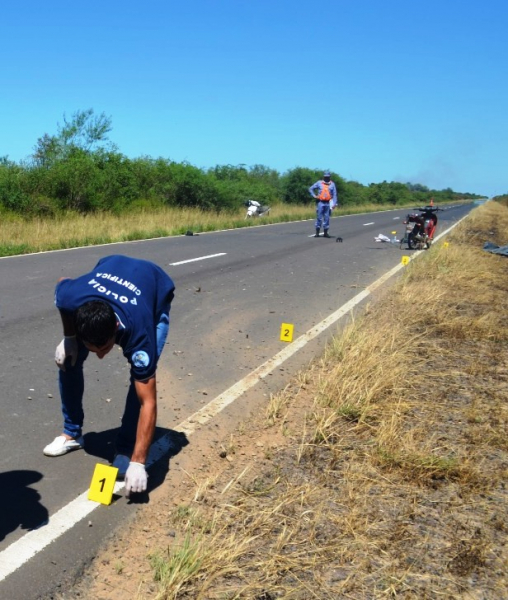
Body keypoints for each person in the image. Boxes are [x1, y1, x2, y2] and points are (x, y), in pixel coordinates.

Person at [43, 255, 175, 496]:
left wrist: (138, 460)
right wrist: (70, 338)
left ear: (116, 329)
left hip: (152, 288)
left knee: (140, 382)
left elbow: (148, 401)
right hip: (111, 266)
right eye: (95, 350)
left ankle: (124, 450)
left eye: (104, 349)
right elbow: (62, 285)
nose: (101, 357)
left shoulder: (138, 333)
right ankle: (72, 433)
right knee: (69, 361)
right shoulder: (72, 297)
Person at [308, 170, 338, 238]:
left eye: (328, 177)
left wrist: (334, 203)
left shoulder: (332, 184)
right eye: (325, 177)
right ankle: (317, 233)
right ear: (323, 177)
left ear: (330, 177)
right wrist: (314, 196)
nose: (326, 178)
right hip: (320, 203)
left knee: (327, 218)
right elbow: (310, 189)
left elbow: (335, 194)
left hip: (328, 203)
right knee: (319, 218)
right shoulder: (319, 183)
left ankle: (325, 233)